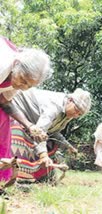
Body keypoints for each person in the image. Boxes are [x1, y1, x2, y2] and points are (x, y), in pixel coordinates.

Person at [7, 88, 91, 183]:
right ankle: (15, 176)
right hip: (16, 110)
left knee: (50, 143)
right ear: (70, 100)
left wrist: (68, 146)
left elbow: (52, 132)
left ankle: (42, 177)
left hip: (33, 124)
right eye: (76, 110)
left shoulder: (68, 114)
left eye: (79, 115)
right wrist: (43, 155)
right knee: (22, 139)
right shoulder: (54, 107)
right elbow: (40, 132)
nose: (75, 115)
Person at [0, 36, 53, 181]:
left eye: (29, 86)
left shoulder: (18, 76)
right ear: (16, 64)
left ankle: (2, 181)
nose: (23, 87)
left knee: (4, 124)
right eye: (23, 81)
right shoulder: (3, 64)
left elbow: (4, 101)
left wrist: (29, 126)